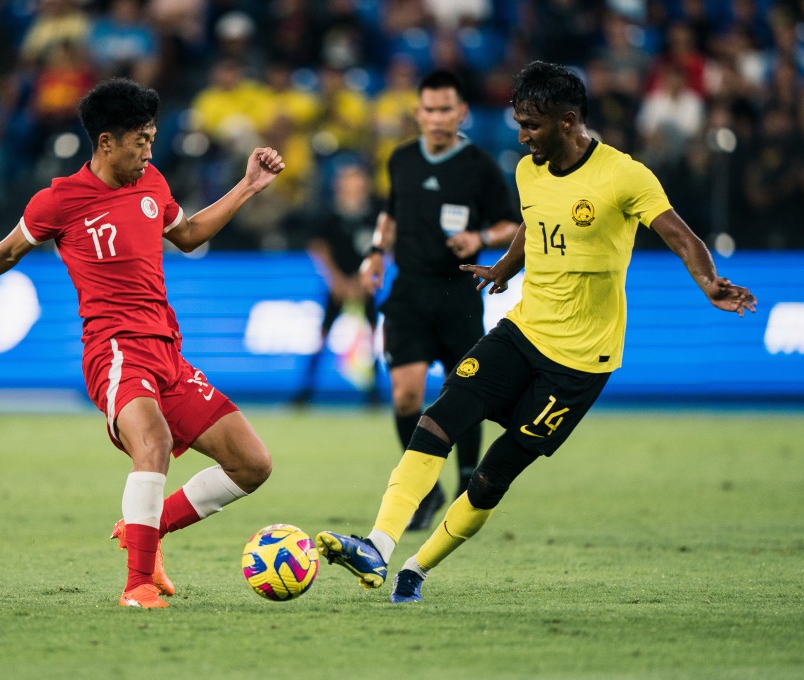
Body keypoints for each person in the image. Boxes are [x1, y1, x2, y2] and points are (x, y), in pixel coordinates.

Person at [316, 61, 756, 604]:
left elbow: (681, 236)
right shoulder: (530, 170)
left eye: (531, 125)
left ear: (567, 121)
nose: (522, 137)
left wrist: (708, 282)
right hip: (522, 331)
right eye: (519, 123)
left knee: (491, 476)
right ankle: (377, 547)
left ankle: (416, 568)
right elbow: (533, 220)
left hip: (580, 362)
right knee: (436, 419)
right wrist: (505, 266)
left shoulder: (624, 176)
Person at [0, 78, 285, 609]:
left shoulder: (152, 182)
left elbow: (188, 236)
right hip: (114, 352)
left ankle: (145, 528)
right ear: (106, 142)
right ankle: (137, 586)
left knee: (253, 464)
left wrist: (248, 185)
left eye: (152, 139)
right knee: (153, 442)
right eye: (141, 141)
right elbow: (6, 252)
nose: (149, 152)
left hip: (167, 354)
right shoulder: (59, 200)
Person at [359, 69, 519, 531]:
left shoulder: (480, 166)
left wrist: (479, 238)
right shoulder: (402, 158)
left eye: (445, 109)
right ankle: (426, 492)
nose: (436, 117)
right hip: (409, 290)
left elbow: (511, 226)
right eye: (429, 109)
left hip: (458, 292)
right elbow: (390, 212)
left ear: (461, 112)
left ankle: (468, 481)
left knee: (464, 391)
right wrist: (376, 251)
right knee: (405, 394)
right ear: (418, 112)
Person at [292, 161, 383, 406]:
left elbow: (385, 246)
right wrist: (336, 279)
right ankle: (305, 391)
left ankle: (374, 392)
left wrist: (366, 277)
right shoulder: (329, 215)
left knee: (372, 336)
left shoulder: (375, 213)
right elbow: (318, 247)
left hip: (365, 284)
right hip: (337, 286)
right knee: (322, 335)